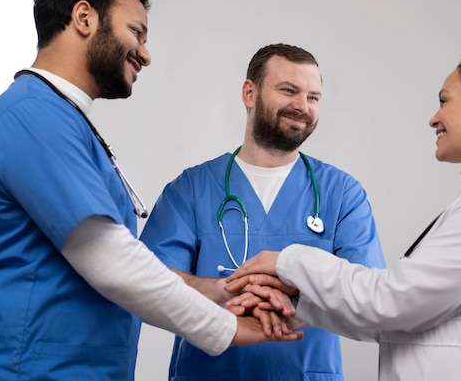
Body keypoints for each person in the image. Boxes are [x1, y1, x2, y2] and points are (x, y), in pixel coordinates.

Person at [0, 0, 299, 380]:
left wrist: (218, 291)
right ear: (84, 18)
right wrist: (230, 327)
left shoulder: (62, 119)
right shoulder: (32, 116)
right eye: (137, 32)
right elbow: (111, 261)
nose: (145, 53)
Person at [225, 50, 461, 381]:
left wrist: (287, 260)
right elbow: (397, 318)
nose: (434, 118)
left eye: (445, 101)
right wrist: (296, 301)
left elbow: (389, 302)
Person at [140, 43, 386, 380]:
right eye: (289, 90)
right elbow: (149, 281)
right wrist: (227, 289)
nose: (302, 106)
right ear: (249, 93)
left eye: (313, 97)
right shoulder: (192, 189)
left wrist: (288, 301)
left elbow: (369, 296)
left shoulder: (342, 194)